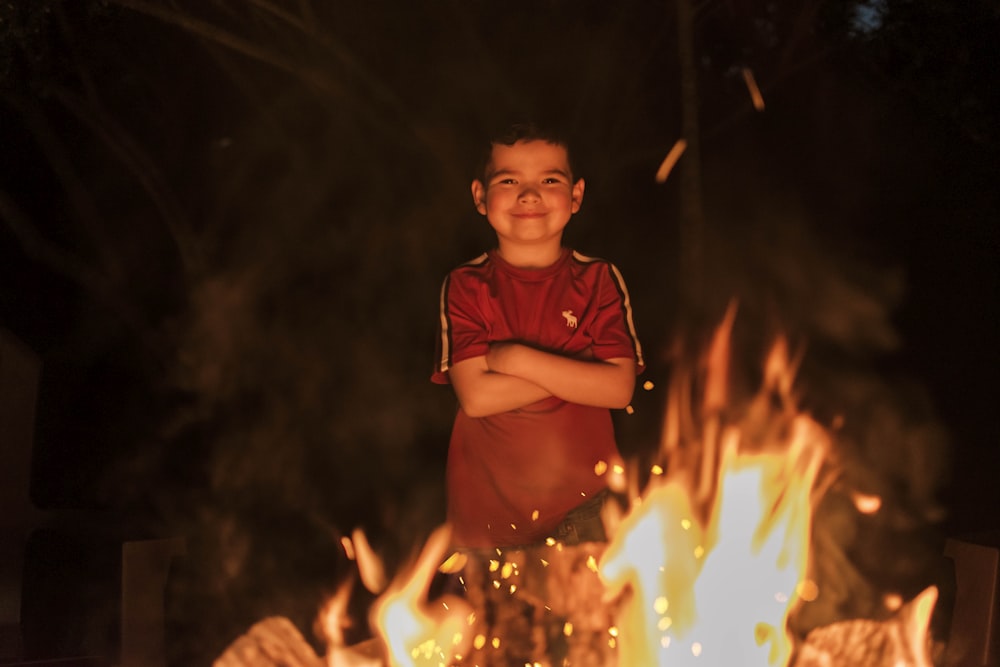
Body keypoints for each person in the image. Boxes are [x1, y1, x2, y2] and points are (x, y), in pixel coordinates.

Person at [432, 123, 644, 550]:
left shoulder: (598, 279)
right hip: (485, 513)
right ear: (480, 197)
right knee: (497, 620)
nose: (529, 195)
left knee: (592, 617)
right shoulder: (467, 285)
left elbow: (618, 388)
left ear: (576, 196)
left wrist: (513, 358)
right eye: (509, 181)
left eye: (549, 180)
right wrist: (578, 370)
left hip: (587, 508)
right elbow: (476, 397)